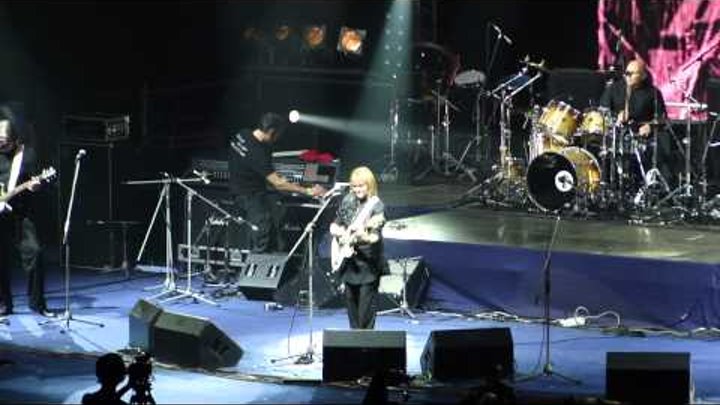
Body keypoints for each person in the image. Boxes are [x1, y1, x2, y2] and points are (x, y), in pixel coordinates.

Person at [228, 112, 326, 253]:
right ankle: (258, 264)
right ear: (271, 131)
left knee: (265, 232)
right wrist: (308, 191)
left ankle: (265, 260)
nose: (279, 138)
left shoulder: (242, 134)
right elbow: (278, 183)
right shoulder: (258, 153)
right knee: (262, 234)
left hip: (237, 190)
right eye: (279, 134)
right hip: (250, 196)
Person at [0, 103, 54, 318]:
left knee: (36, 252)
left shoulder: (27, 155)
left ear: (14, 138)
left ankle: (37, 303)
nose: (0, 141)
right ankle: (3, 304)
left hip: (22, 213)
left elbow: (41, 180)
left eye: (3, 138)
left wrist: (37, 185)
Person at [599, 58, 672, 192]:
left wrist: (650, 126)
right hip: (617, 135)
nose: (627, 76)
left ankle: (650, 186)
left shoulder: (653, 93)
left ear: (643, 76)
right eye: (626, 73)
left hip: (641, 137)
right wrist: (616, 117)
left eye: (632, 73)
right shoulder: (614, 89)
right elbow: (602, 111)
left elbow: (662, 118)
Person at [329, 166, 387, 329]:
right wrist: (340, 232)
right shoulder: (348, 200)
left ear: (369, 185)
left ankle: (365, 342)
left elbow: (375, 237)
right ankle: (354, 340)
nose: (357, 189)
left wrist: (362, 236)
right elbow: (334, 225)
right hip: (349, 263)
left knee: (365, 314)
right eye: (354, 186)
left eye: (361, 186)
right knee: (352, 311)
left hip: (368, 264)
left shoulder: (376, 205)